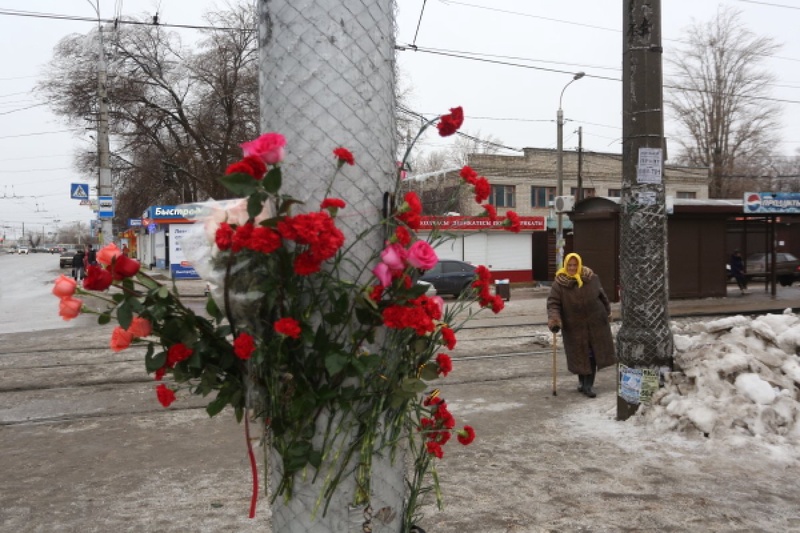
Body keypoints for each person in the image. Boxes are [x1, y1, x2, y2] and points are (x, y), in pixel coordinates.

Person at [546, 252, 616, 398]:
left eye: (575, 265)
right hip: (574, 327)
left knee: (592, 354)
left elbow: (602, 296)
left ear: (579, 265)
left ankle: (588, 385)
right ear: (565, 266)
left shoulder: (591, 278)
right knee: (579, 355)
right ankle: (582, 382)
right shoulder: (560, 284)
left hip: (596, 324)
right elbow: (553, 304)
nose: (572, 268)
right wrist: (554, 320)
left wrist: (608, 312)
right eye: (569, 265)